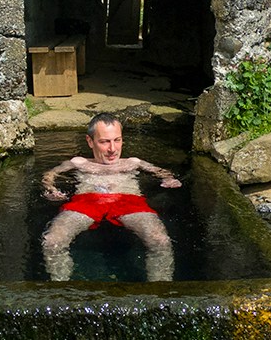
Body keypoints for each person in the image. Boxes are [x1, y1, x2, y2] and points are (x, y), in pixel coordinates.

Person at [41, 113, 181, 283]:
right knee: (52, 241)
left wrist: (168, 179)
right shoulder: (79, 163)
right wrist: (51, 188)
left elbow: (161, 172)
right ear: (90, 141)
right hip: (87, 201)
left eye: (117, 140)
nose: (112, 149)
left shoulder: (133, 162)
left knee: (160, 241)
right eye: (104, 141)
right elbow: (50, 174)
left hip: (129, 202)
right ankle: (61, 290)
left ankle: (160, 291)